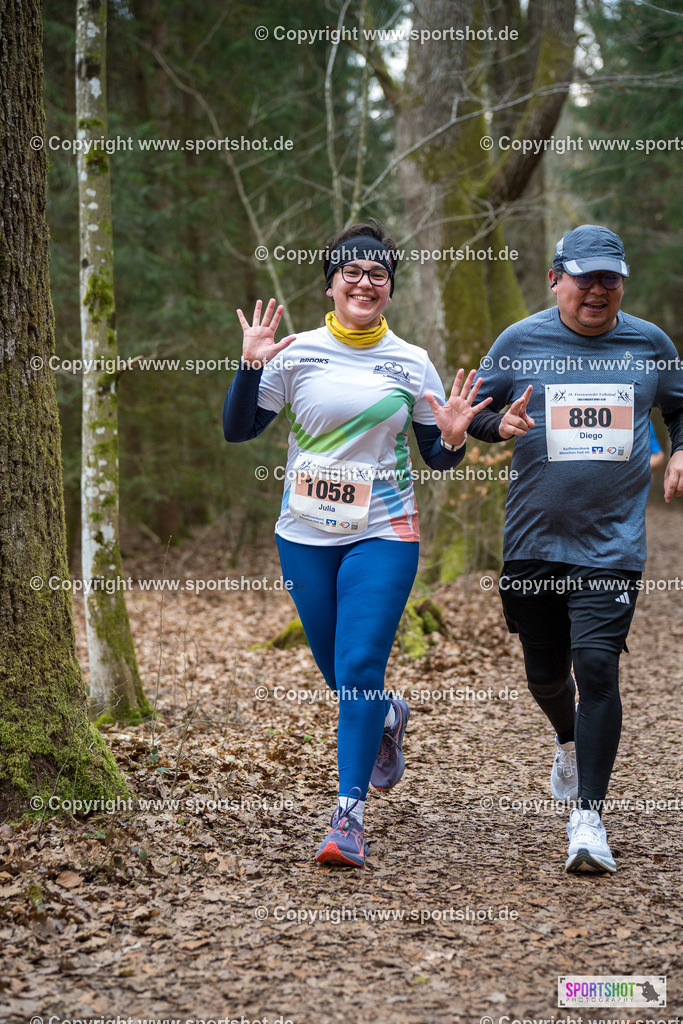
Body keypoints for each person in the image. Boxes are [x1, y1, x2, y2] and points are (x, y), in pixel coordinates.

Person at [223, 221, 491, 867]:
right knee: (344, 681)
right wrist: (249, 366)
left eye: (377, 274)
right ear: (332, 283)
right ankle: (386, 715)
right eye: (352, 272)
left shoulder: (411, 360)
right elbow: (239, 429)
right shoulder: (296, 351)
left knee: (360, 668)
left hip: (384, 531)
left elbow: (436, 456)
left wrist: (453, 436)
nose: (364, 282)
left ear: (389, 289)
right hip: (304, 536)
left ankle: (347, 819)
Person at [468, 224, 683, 874]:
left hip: (611, 543)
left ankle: (587, 817)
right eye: (584, 277)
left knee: (595, 667)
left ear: (621, 282)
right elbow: (470, 413)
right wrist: (490, 423)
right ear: (555, 278)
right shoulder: (520, 340)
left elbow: (681, 408)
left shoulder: (649, 345)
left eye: (608, 279)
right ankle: (565, 740)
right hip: (532, 540)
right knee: (543, 672)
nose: (596, 290)